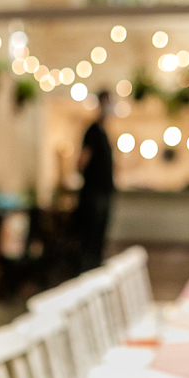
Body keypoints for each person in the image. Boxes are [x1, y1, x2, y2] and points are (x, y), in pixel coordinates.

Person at [74, 90, 115, 273]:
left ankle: (94, 273)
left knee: (99, 239)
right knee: (91, 239)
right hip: (94, 194)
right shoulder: (93, 130)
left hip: (103, 192)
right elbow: (82, 161)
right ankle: (88, 275)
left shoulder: (104, 132)